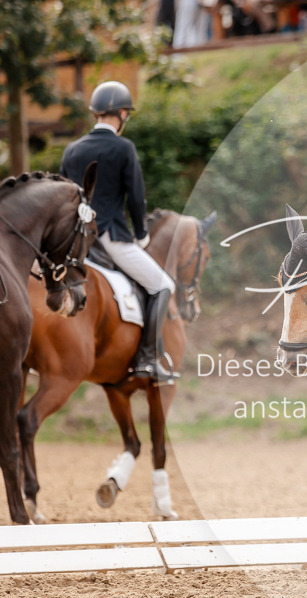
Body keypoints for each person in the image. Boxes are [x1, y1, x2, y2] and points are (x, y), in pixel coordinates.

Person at [61, 81, 177, 383]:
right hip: (110, 236)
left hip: (75, 241)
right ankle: (147, 359)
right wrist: (141, 236)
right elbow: (136, 198)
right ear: (122, 113)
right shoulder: (123, 148)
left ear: (96, 113)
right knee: (164, 285)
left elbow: (63, 196)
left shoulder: (72, 150)